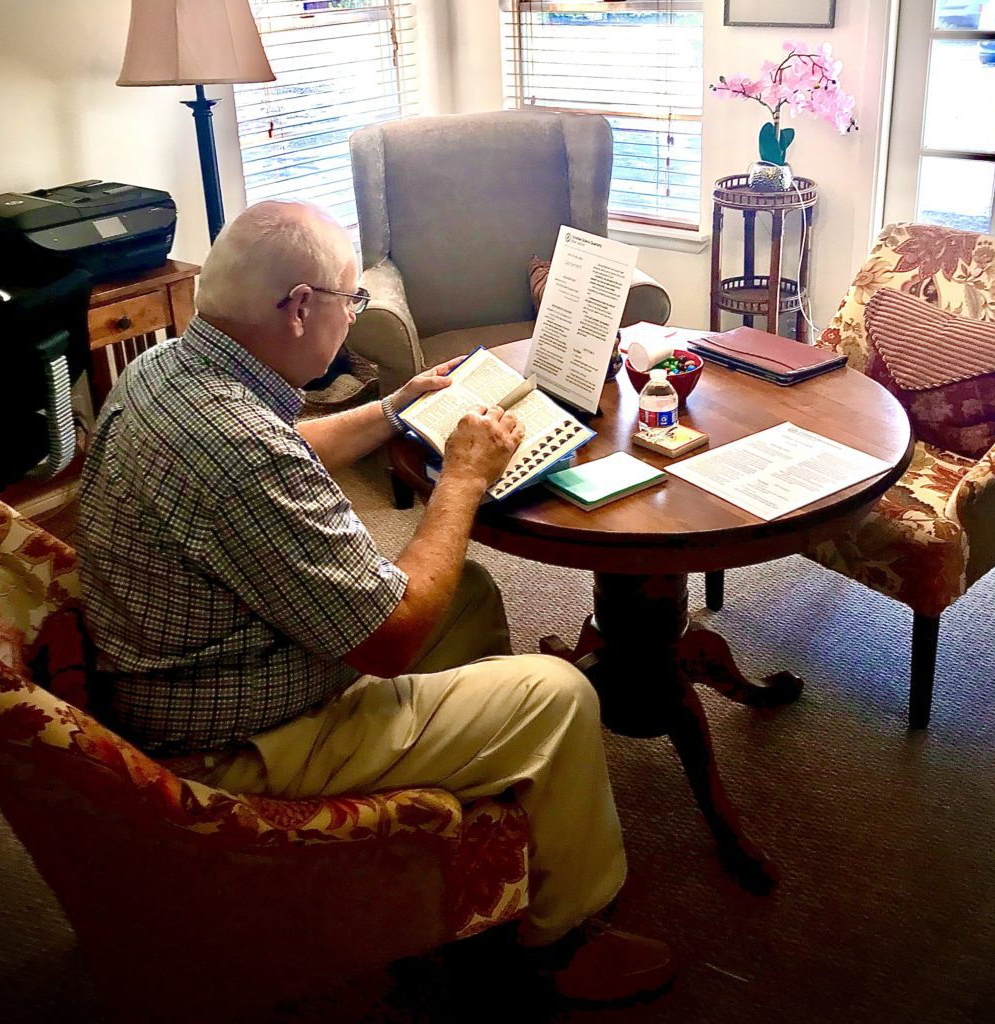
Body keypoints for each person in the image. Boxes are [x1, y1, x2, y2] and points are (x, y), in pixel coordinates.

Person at [77, 199, 675, 1004]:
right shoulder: (238, 452)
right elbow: (388, 639)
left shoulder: (170, 372)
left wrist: (398, 408)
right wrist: (463, 475)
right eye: (350, 303)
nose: (354, 317)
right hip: (240, 742)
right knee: (560, 695)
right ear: (297, 309)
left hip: (192, 678)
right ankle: (556, 946)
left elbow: (284, 446)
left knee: (465, 593)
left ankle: (478, 788)